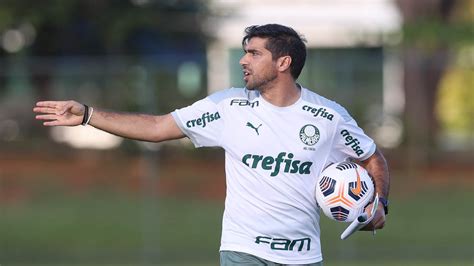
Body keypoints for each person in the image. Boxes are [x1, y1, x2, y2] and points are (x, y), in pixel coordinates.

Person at [34, 24, 390, 266]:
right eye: (244, 52)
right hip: (242, 250)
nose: (242, 61)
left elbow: (373, 157)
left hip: (302, 255)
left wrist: (379, 204)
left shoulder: (328, 117)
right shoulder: (228, 107)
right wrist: (87, 115)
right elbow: (158, 127)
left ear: (284, 62)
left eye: (254, 53)